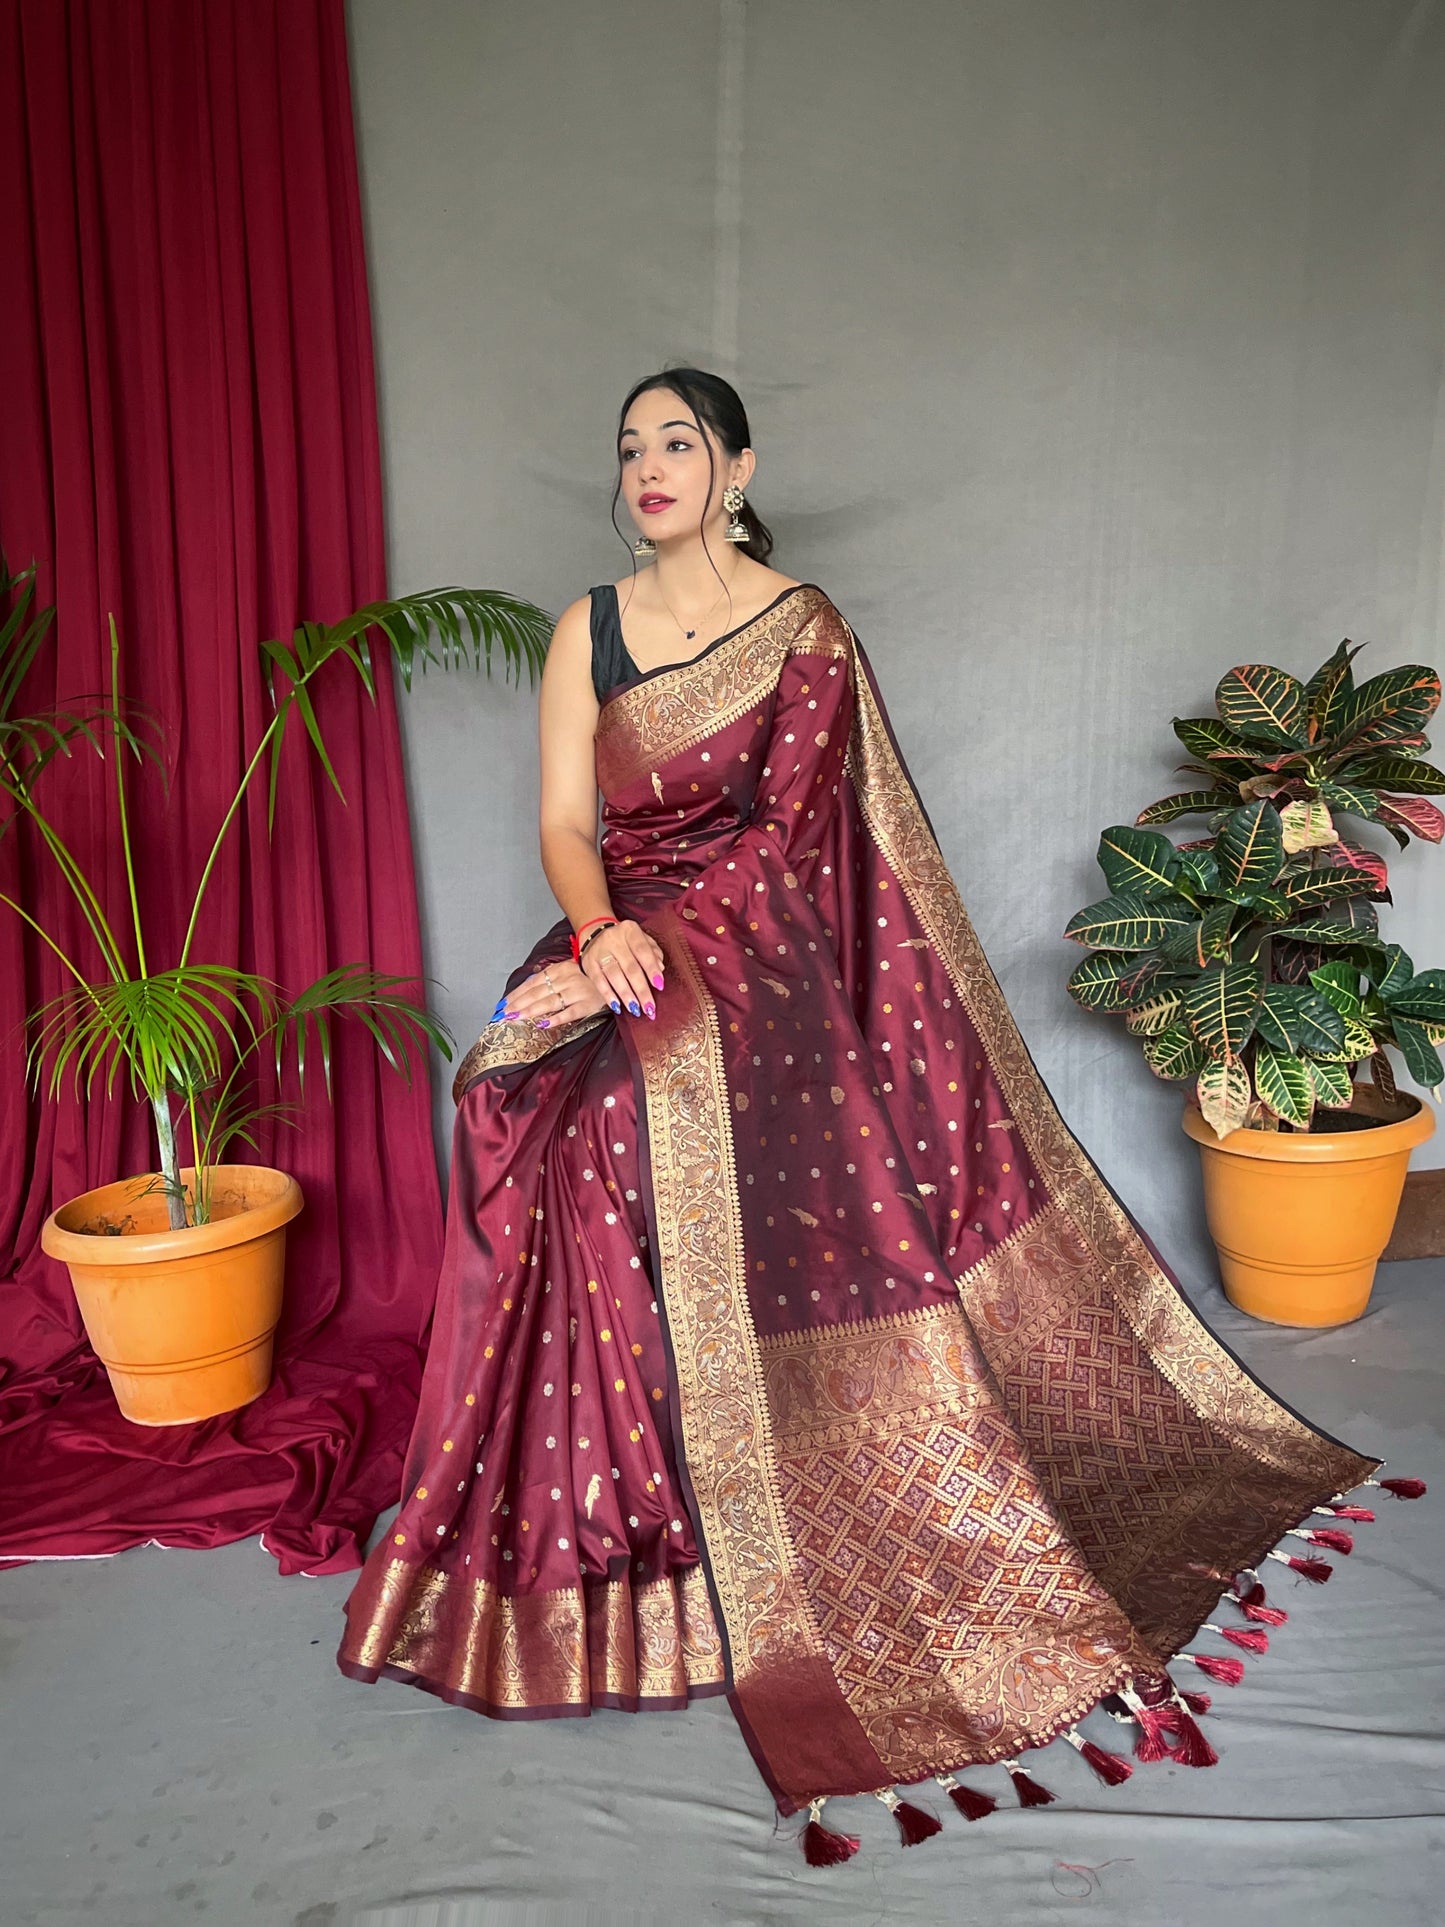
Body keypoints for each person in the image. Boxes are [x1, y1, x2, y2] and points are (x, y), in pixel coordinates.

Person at [336, 366, 1413, 1864]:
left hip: (757, 963)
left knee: (632, 1150)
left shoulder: (803, 630)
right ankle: (615, 1542)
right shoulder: (587, 628)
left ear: (735, 467)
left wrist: (663, 960)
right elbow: (564, 826)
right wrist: (594, 942)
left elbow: (794, 848)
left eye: (679, 444)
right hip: (625, 945)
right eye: (630, 447)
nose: (648, 468)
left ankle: (730, 1522)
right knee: (536, 1124)